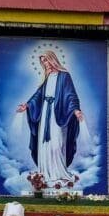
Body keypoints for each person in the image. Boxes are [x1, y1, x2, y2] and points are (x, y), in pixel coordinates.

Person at [17, 51, 83, 187]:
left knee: (56, 144)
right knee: (44, 145)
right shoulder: (46, 78)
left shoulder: (64, 76)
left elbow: (71, 95)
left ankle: (59, 173)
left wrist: (75, 109)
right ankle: (45, 175)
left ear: (52, 60)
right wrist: (28, 105)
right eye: (42, 62)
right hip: (45, 113)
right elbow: (38, 95)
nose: (44, 64)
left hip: (58, 114)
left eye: (46, 61)